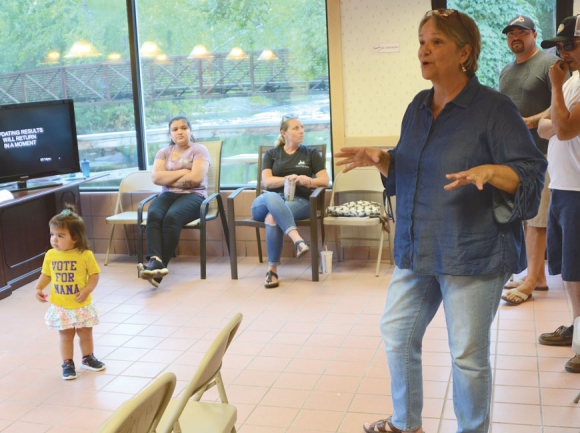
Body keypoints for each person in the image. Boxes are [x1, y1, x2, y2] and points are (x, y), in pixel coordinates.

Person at [335, 9, 547, 433]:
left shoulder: (494, 108)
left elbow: (531, 171)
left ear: (464, 52)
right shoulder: (417, 107)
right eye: (421, 41)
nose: (423, 50)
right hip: (419, 246)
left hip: (473, 250)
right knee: (397, 333)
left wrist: (491, 171)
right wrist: (383, 159)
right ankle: (405, 422)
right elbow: (413, 167)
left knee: (467, 354)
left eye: (435, 42)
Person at [498, 16, 560, 305]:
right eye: (511, 33)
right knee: (525, 216)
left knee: (537, 219)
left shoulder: (549, 64)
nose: (515, 36)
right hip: (515, 156)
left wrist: (532, 121)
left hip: (544, 152)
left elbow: (561, 101)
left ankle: (532, 280)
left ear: (534, 35)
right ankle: (538, 275)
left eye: (522, 31)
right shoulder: (506, 71)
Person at [537, 15, 580, 373]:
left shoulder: (568, 82)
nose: (563, 53)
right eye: (560, 47)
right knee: (568, 271)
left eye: (570, 45)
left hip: (579, 191)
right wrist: (556, 113)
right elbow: (544, 125)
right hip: (563, 185)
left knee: (578, 271)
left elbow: (561, 128)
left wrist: (555, 86)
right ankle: (578, 329)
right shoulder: (573, 82)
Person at [251, 114, 329, 289]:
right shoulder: (271, 154)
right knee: (272, 197)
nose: (301, 131)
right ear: (283, 133)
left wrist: (304, 179)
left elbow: (324, 181)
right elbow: (268, 182)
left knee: (272, 218)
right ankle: (297, 240)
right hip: (265, 201)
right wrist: (288, 179)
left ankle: (272, 271)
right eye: (296, 128)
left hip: (298, 201)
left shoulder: (310, 153)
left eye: (302, 127)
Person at [137, 115, 210, 288]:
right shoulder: (163, 152)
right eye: (175, 129)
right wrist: (185, 170)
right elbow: (156, 177)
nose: (180, 132)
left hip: (194, 196)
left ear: (190, 131)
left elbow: (197, 178)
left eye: (184, 128)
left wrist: (168, 178)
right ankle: (156, 262)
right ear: (170, 134)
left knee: (171, 217)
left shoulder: (199, 150)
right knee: (154, 214)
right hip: (167, 195)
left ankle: (157, 269)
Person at [34, 205, 105, 380]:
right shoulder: (51, 255)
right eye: (52, 235)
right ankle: (67, 363)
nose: (54, 239)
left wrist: (87, 290)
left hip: (81, 305)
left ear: (74, 238)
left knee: (86, 333)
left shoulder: (85, 255)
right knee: (66, 336)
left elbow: (94, 275)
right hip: (62, 306)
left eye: (60, 236)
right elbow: (46, 274)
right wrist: (38, 288)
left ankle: (87, 358)